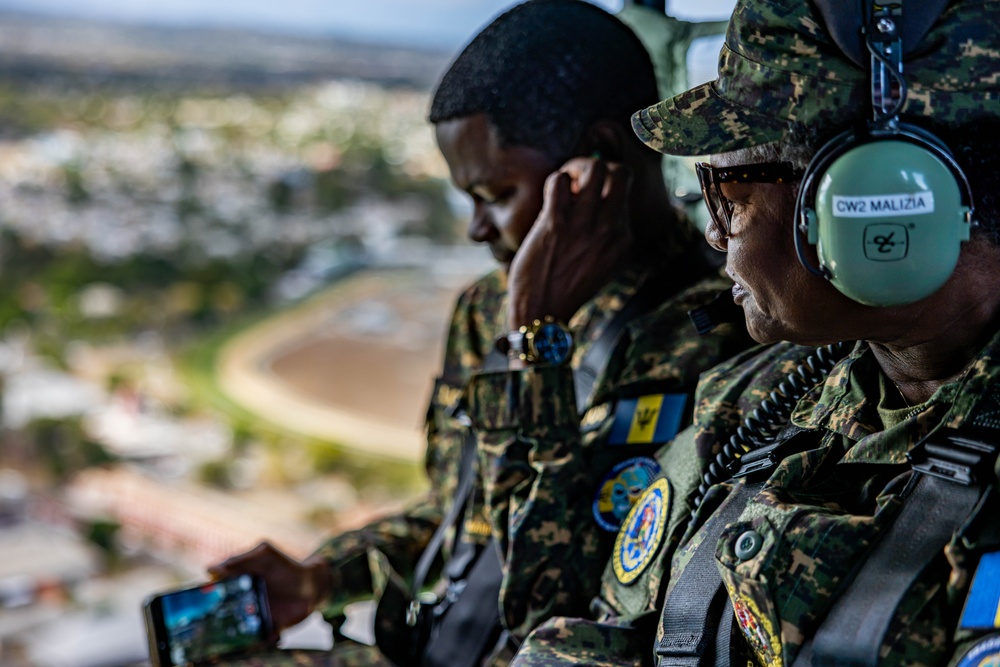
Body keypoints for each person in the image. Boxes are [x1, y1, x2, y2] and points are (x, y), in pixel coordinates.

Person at [208, 1, 754, 665]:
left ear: (598, 163)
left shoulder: (728, 334)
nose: (476, 228)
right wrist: (324, 576)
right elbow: (462, 517)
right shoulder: (484, 310)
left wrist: (538, 347)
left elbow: (555, 601)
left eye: (495, 193)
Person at [510, 0, 1000, 665]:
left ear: (873, 204)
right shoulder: (752, 400)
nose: (713, 235)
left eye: (729, 197)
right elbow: (580, 623)